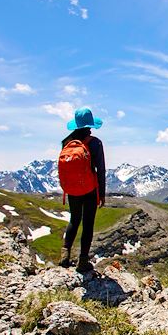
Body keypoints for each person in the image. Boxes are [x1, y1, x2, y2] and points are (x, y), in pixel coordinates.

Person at [58, 107, 106, 273]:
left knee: (74, 220)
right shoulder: (95, 143)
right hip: (90, 189)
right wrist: (102, 195)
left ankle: (64, 255)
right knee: (88, 224)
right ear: (90, 125)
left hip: (72, 189)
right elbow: (101, 169)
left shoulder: (66, 142)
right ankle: (83, 261)